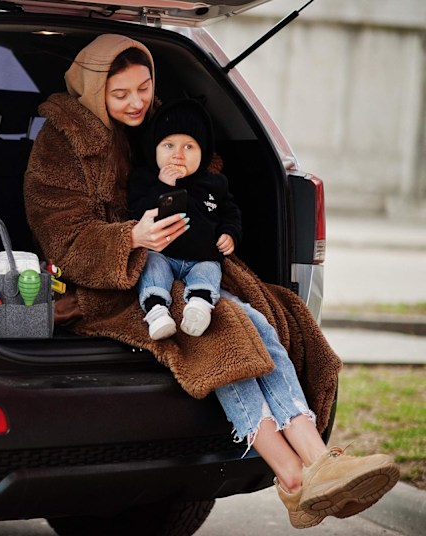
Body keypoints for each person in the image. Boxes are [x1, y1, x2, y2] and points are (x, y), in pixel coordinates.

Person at [24, 33, 399, 529]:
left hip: (188, 260)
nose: (137, 102)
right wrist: (131, 236)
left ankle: (313, 464)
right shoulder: (61, 142)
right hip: (109, 285)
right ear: (94, 92)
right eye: (121, 95)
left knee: (271, 318)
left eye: (144, 87)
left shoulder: (166, 122)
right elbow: (61, 237)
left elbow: (210, 187)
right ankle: (296, 473)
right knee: (225, 325)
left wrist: (189, 177)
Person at [128, 98, 243, 340]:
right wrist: (163, 186)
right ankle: (156, 310)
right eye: (168, 146)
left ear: (204, 153)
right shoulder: (145, 180)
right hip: (163, 253)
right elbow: (136, 212)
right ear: (154, 150)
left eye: (189, 147)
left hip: (202, 257)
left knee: (211, 270)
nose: (178, 155)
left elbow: (230, 212)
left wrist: (230, 233)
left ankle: (199, 305)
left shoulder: (215, 183)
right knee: (150, 265)